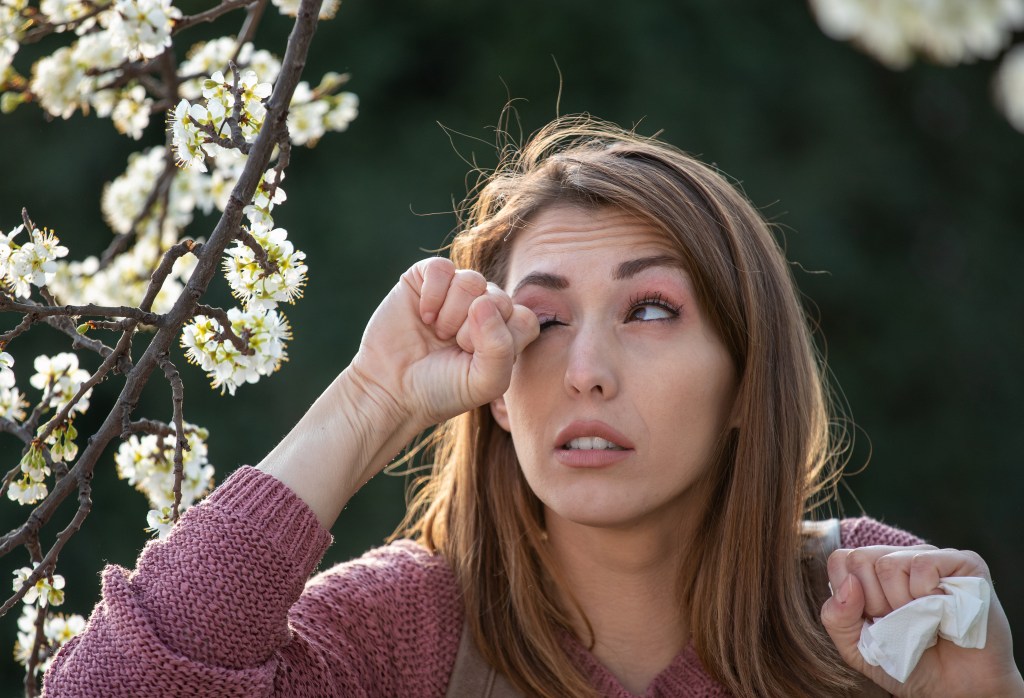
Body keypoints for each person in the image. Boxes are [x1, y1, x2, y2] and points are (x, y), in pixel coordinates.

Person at [44, 116, 1022, 697]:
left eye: (649, 309)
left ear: (744, 377)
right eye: (542, 321)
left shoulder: (862, 604)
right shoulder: (409, 631)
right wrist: (369, 398)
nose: (586, 369)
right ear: (497, 391)